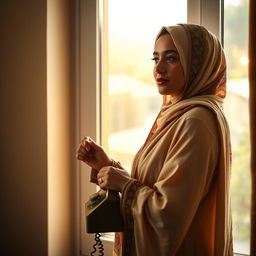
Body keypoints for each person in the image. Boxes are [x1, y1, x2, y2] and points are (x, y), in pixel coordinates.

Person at [77, 23, 233, 256]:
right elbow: (162, 185)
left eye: (171, 58)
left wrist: (123, 184)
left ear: (197, 65)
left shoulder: (196, 121)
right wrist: (108, 168)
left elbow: (168, 216)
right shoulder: (179, 113)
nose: (158, 69)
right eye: (155, 58)